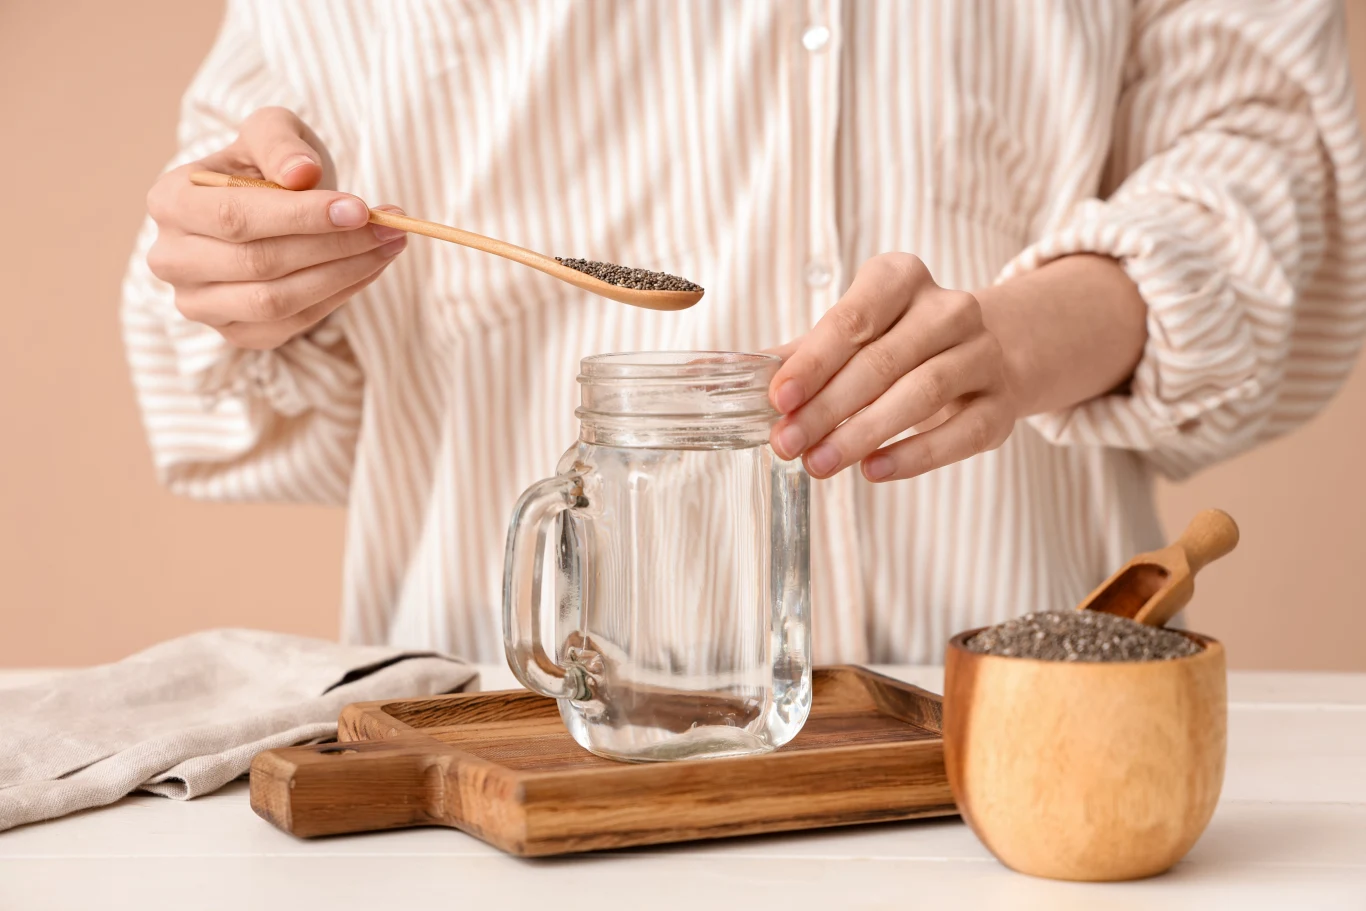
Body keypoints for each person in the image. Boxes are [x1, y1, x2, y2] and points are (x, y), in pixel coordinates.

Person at [123, 1, 1366, 664]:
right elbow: (221, 231)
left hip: (1002, 751)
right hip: (505, 744)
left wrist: (1033, 329)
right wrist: (240, 261)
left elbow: (1259, 148)